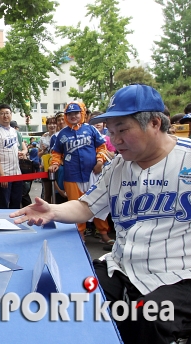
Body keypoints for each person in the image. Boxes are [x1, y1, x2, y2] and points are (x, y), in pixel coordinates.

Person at [11, 84, 191, 344]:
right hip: (122, 266)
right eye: (111, 131)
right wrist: (53, 210)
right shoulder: (118, 164)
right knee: (74, 298)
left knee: (149, 319)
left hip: (178, 274)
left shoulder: (186, 159)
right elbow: (87, 206)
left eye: (122, 130)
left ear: (154, 123)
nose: (114, 139)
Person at [48, 102, 112, 245]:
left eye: (76, 113)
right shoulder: (62, 134)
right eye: (70, 114)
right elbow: (56, 152)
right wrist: (55, 164)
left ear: (82, 114)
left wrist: (100, 162)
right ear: (66, 116)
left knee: (98, 203)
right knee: (75, 205)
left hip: (93, 173)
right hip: (72, 175)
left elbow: (102, 146)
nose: (73, 116)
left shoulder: (91, 130)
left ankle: (103, 233)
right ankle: (80, 234)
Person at [0, 104, 26, 209]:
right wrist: (2, 175)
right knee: (4, 204)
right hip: (4, 174)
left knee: (16, 203)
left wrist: (22, 152)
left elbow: (17, 149)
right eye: (2, 114)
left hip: (17, 173)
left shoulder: (14, 132)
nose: (5, 116)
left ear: (11, 114)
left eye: (7, 113)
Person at [38, 116, 57, 203]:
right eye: (50, 123)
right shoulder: (43, 138)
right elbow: (39, 154)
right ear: (47, 125)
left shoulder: (60, 135)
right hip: (45, 167)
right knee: (47, 192)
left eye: (54, 123)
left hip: (58, 166)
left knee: (58, 193)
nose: (52, 125)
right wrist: (43, 150)